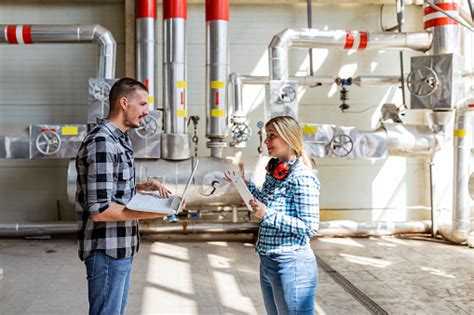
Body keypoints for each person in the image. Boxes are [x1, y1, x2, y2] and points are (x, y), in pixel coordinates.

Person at [75, 77, 170, 315]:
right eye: (143, 104)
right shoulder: (103, 142)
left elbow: (110, 187)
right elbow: (100, 210)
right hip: (107, 250)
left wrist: (143, 186)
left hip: (121, 247)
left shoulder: (121, 139)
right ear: (124, 103)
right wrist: (160, 210)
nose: (147, 111)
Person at [225, 115, 320, 315]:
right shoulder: (276, 171)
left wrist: (267, 214)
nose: (266, 141)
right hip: (268, 261)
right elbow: (264, 204)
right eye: (266, 136)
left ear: (288, 138)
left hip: (291, 263)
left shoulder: (302, 177)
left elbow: (310, 227)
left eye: (271, 136)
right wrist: (243, 184)